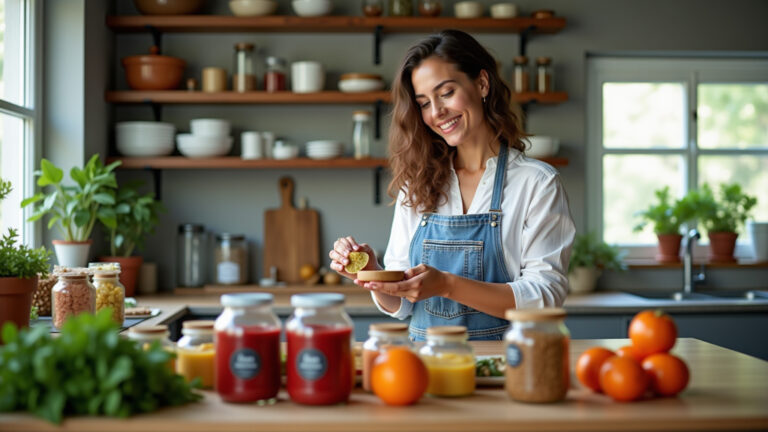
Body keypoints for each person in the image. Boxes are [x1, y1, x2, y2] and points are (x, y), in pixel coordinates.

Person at [329, 29, 575, 341]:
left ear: (482, 83)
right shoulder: (417, 183)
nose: (436, 113)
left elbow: (545, 296)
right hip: (426, 367)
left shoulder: (537, 183)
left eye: (446, 93)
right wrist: (373, 273)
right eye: (424, 102)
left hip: (505, 367)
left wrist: (447, 284)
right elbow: (401, 304)